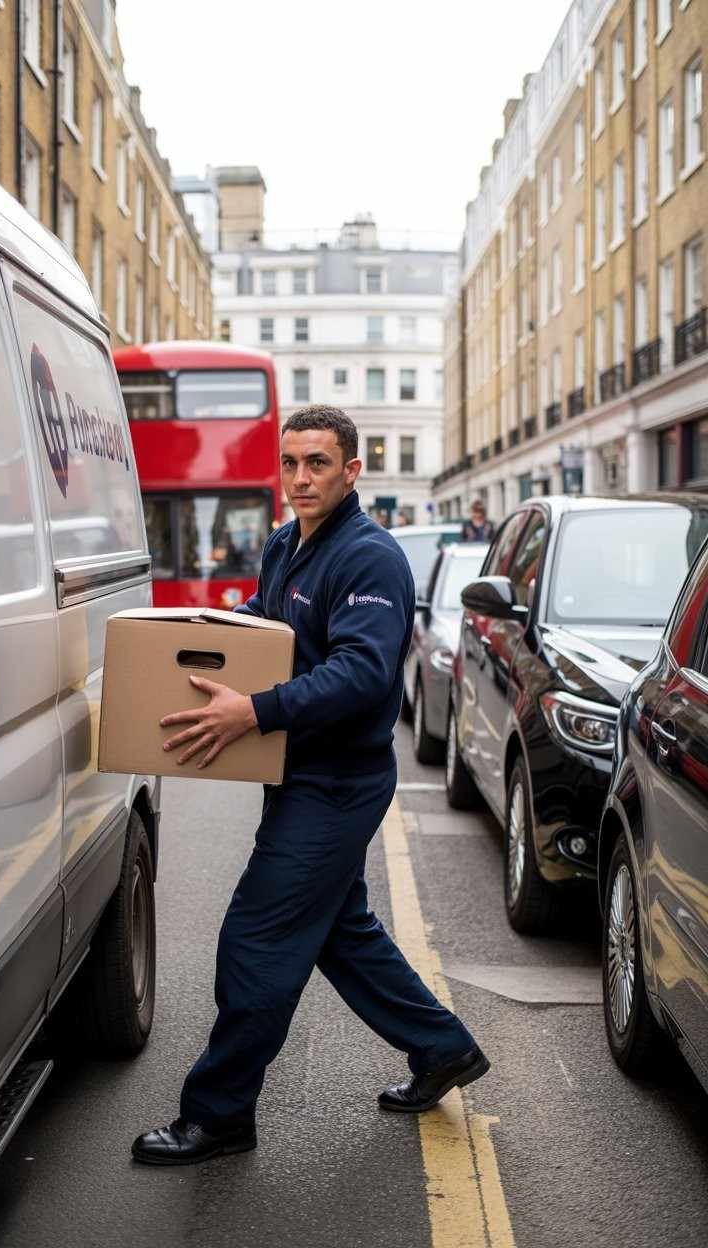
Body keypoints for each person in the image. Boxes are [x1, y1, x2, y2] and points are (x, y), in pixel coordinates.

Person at [132, 405, 488, 1167]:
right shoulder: (287, 544)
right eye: (290, 462)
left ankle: (220, 1114)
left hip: (337, 785)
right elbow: (262, 626)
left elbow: (361, 675)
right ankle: (442, 1046)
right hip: (300, 776)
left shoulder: (370, 558)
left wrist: (252, 712)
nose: (300, 478)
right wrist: (199, 639)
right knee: (339, 932)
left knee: (256, 940)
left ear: (351, 471)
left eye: (318, 463)